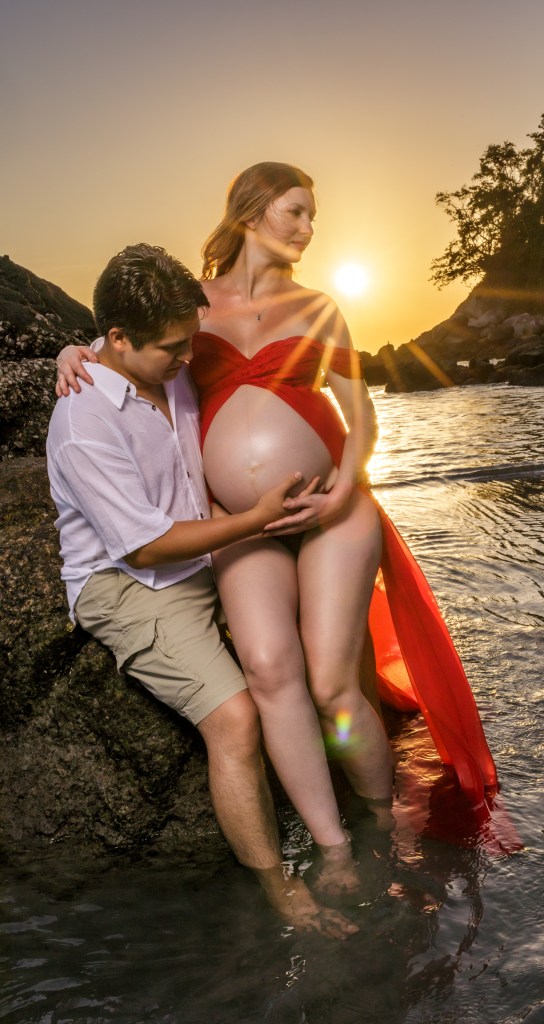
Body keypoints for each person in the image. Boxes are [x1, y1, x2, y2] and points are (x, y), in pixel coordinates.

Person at [57, 163, 499, 845]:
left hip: (332, 512)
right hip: (239, 524)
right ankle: (334, 846)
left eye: (311, 215)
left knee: (330, 686)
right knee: (267, 671)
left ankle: (384, 826)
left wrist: (342, 489)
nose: (308, 228)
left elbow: (363, 420)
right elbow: (122, 346)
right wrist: (68, 351)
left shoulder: (321, 307)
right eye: (295, 211)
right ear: (251, 212)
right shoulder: (188, 306)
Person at [47, 242, 357, 938]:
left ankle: (348, 816)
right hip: (131, 584)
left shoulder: (156, 357)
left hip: (204, 551)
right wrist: (254, 519)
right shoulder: (82, 422)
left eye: (190, 340)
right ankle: (279, 890)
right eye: (171, 348)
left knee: (307, 651)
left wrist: (75, 347)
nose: (189, 358)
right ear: (121, 341)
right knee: (237, 720)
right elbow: (145, 546)